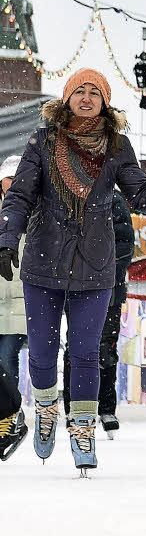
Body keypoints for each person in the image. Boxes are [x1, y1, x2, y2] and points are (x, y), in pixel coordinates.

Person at [0, 68, 146, 475]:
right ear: (66, 99)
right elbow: (20, 196)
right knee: (44, 354)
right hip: (43, 263)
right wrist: (6, 239)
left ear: (105, 101)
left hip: (95, 266)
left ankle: (83, 427)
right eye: (78, 91)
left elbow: (143, 198)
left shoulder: (118, 146)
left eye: (94, 92)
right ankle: (46, 408)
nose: (86, 98)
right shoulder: (43, 142)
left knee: (86, 353)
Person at [61, 189, 134, 439]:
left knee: (106, 348)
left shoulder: (113, 199)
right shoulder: (66, 196)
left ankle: (106, 408)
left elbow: (125, 244)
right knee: (76, 348)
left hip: (109, 291)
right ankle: (73, 406)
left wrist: (103, 271)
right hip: (75, 289)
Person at [0, 156, 27, 391]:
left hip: (20, 300)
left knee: (7, 358)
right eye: (9, 177)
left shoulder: (35, 210)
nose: (13, 182)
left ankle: (11, 415)